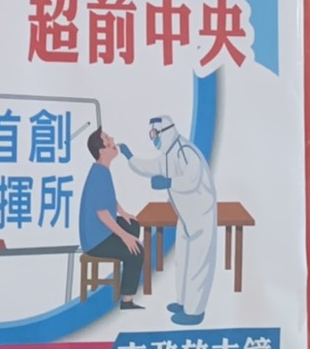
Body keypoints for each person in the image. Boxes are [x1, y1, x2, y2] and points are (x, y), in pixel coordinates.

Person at [120, 113, 217, 325]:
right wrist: (129, 157)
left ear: (166, 131)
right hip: (185, 216)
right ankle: (184, 303)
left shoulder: (185, 151)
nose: (153, 138)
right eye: (151, 134)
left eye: (155, 133)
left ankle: (195, 312)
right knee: (183, 261)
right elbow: (149, 167)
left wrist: (169, 183)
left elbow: (192, 179)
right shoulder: (168, 155)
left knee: (198, 263)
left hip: (200, 215)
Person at [79, 129, 144, 310]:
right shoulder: (98, 174)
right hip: (96, 240)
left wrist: (124, 213)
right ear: (102, 151)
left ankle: (127, 265)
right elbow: (102, 214)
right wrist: (125, 237)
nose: (113, 140)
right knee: (137, 251)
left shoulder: (102, 170)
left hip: (103, 229)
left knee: (133, 224)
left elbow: (108, 199)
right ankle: (127, 300)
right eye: (108, 140)